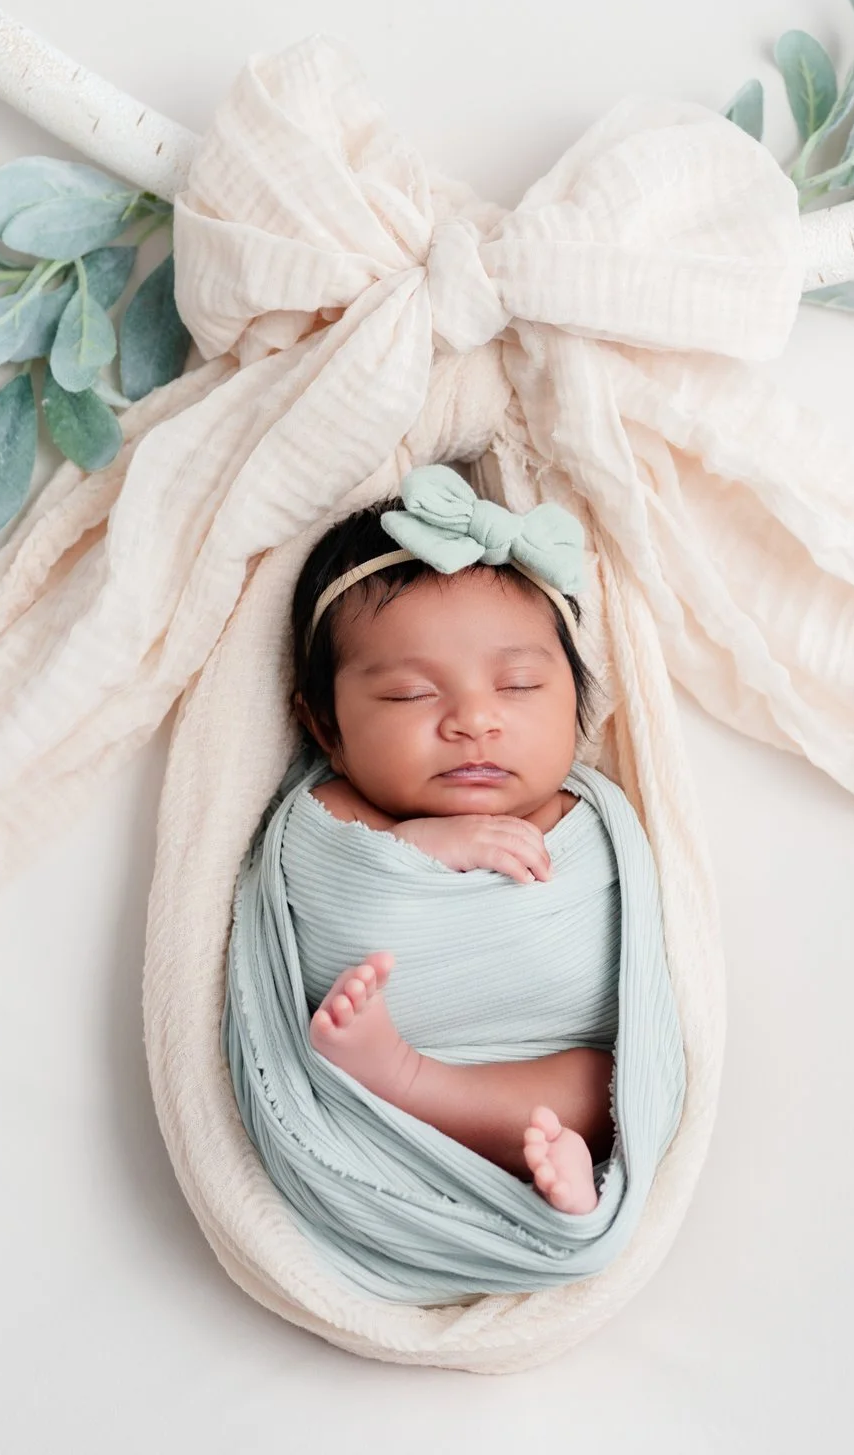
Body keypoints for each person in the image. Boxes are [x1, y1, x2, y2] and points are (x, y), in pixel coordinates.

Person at [279, 472, 621, 1215]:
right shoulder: (336, 808)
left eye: (518, 685)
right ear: (326, 728)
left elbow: (645, 970)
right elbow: (335, 909)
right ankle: (405, 1083)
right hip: (380, 1101)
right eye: (411, 693)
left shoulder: (595, 820)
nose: (473, 719)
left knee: (615, 1081)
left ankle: (443, 1102)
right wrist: (420, 845)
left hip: (546, 1067)